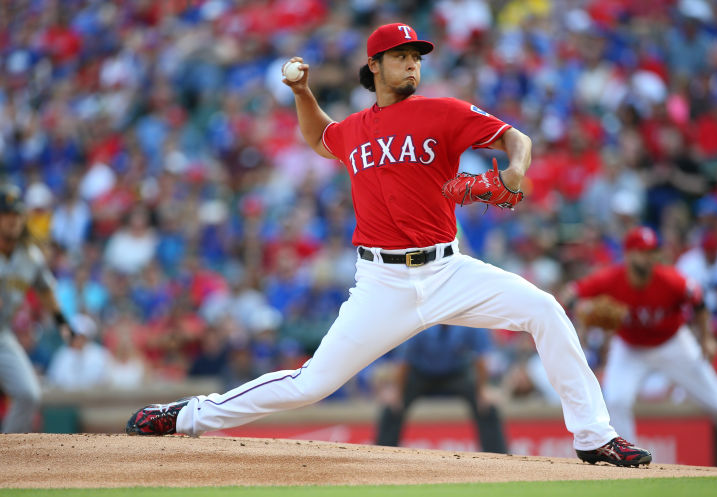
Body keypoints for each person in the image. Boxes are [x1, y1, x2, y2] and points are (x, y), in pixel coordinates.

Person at [126, 23, 651, 467]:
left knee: (545, 309)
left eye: (416, 57)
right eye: (400, 57)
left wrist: (515, 168)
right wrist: (303, 93)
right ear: (374, 66)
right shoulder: (354, 129)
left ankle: (594, 436)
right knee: (311, 384)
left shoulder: (444, 112)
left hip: (450, 272)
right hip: (382, 283)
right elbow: (318, 138)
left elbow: (518, 137)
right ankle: (186, 415)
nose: (411, 65)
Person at [561, 226, 717, 451]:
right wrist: (581, 309)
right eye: (642, 251)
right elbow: (571, 294)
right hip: (630, 348)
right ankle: (626, 460)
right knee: (617, 400)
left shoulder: (669, 279)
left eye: (651, 251)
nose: (648, 257)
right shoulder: (611, 279)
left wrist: (707, 338)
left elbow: (698, 301)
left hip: (672, 343)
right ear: (628, 254)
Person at [0, 183, 75, 433]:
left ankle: (6, 450)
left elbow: (46, 290)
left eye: (17, 214)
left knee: (28, 394)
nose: (13, 220)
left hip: (2, 335)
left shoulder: (30, 256)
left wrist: (63, 323)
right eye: (6, 214)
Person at [375, 324, 508, 453]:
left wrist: (483, 389)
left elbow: (480, 358)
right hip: (421, 374)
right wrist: (397, 392)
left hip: (456, 373)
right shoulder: (420, 322)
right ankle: (382, 457)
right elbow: (404, 361)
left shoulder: (469, 322)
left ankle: (498, 458)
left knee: (487, 407)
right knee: (392, 407)